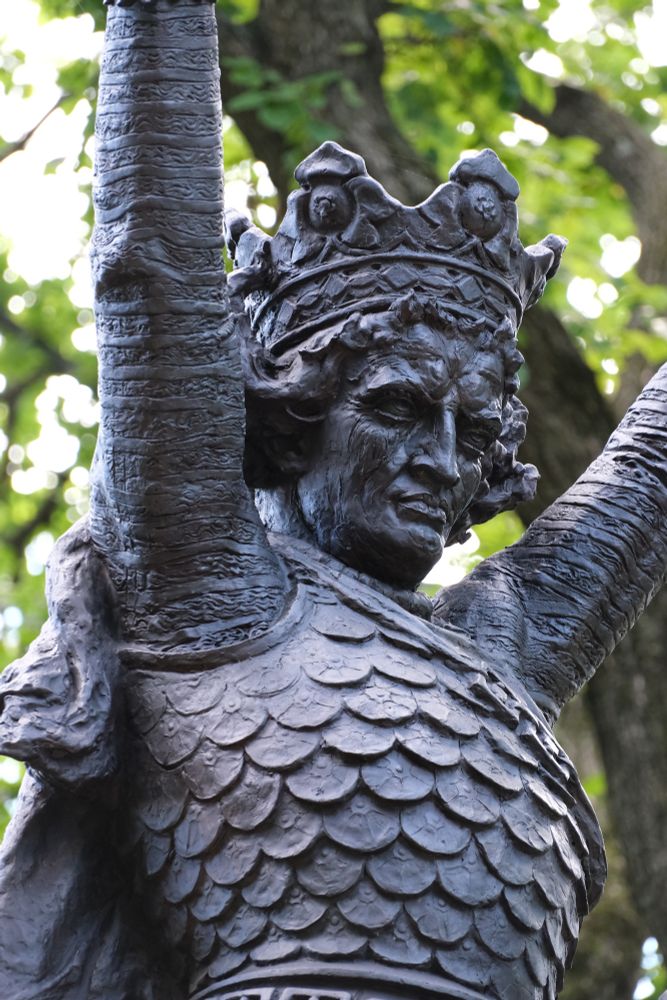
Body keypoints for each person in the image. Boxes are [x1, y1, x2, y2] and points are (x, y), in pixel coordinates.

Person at [0, 2, 665, 999]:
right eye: (397, 410)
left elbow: (654, 464)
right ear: (294, 413)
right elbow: (153, 268)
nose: (443, 458)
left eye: (474, 432)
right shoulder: (205, 587)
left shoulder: (498, 656)